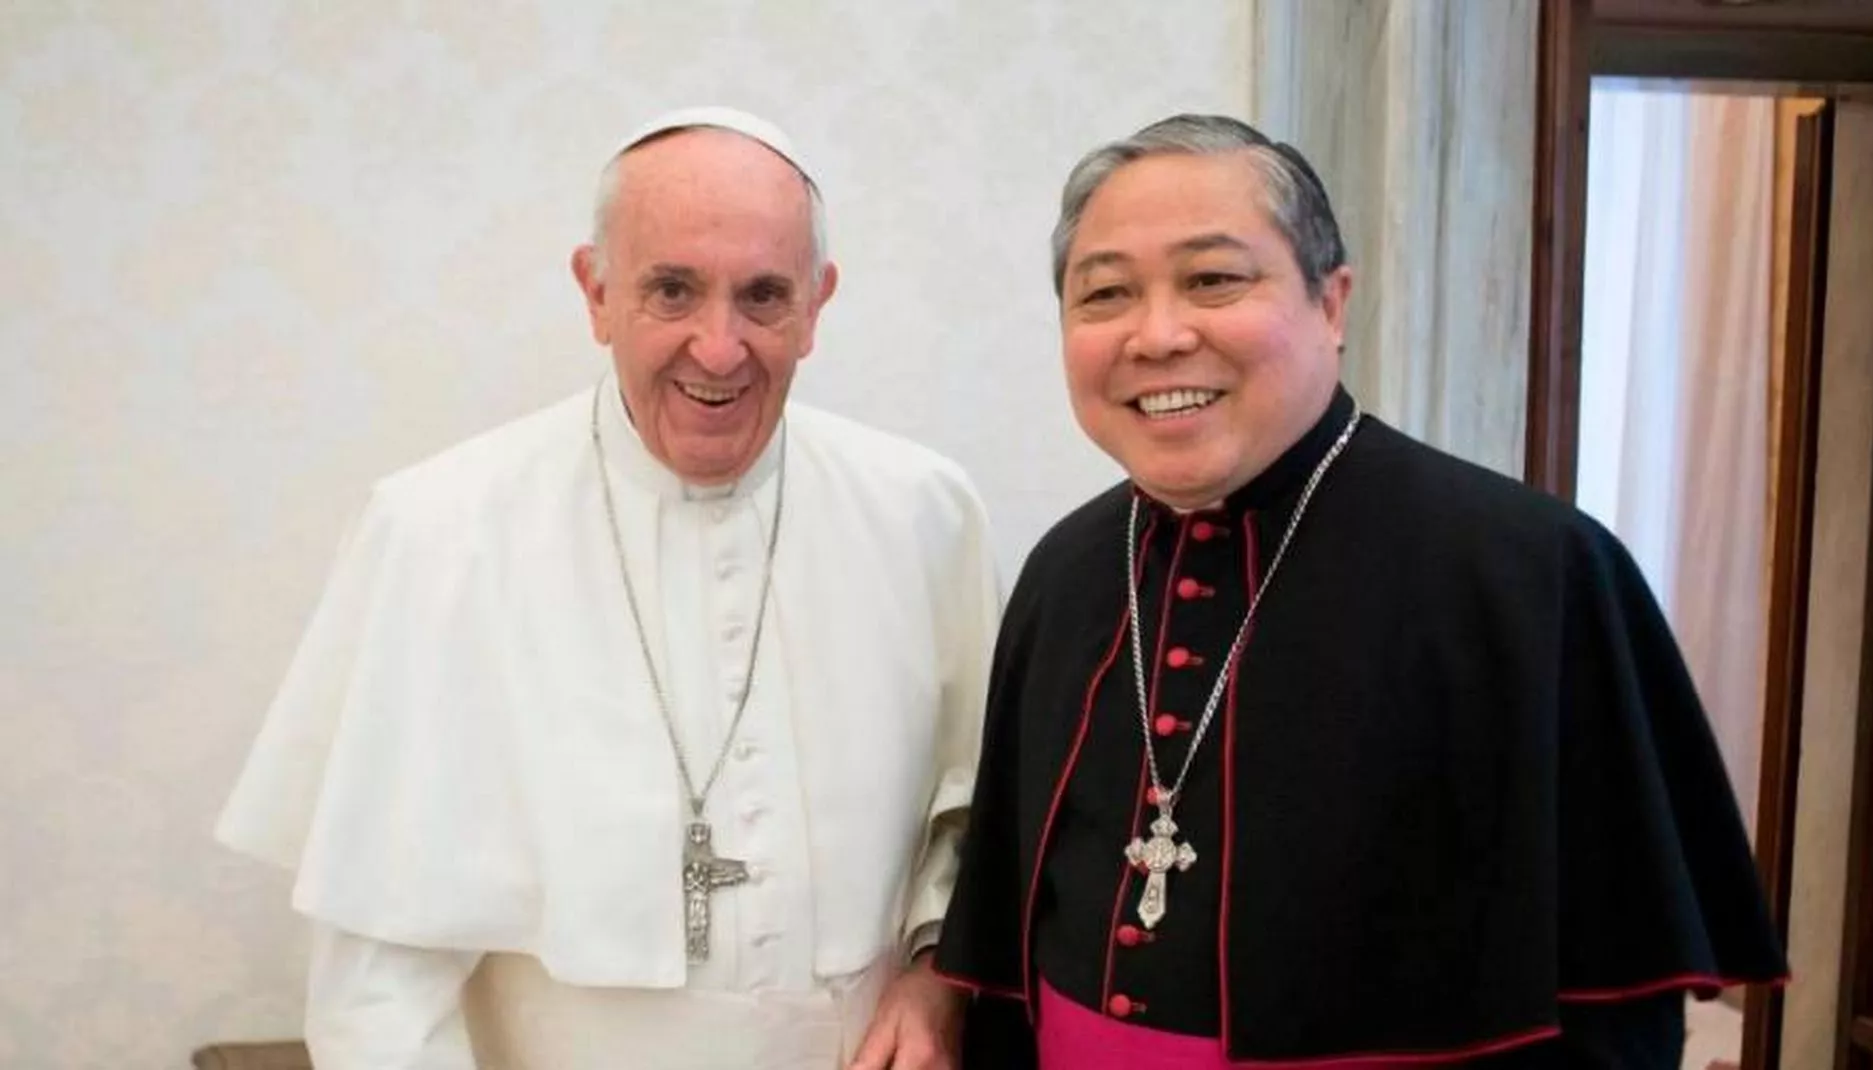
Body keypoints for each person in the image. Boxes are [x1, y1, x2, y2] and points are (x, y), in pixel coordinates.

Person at [933, 113, 1787, 1068]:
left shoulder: (1535, 571)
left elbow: (1616, 993)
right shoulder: (1065, 569)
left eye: (1213, 279)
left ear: (1331, 303)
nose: (1159, 334)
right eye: (1106, 294)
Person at [216, 106, 992, 1070]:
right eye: (673, 290)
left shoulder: (924, 512)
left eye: (763, 296)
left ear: (816, 305)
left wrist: (934, 978)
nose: (719, 348)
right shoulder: (439, 530)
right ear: (596, 293)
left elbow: (973, 823)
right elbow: (378, 985)